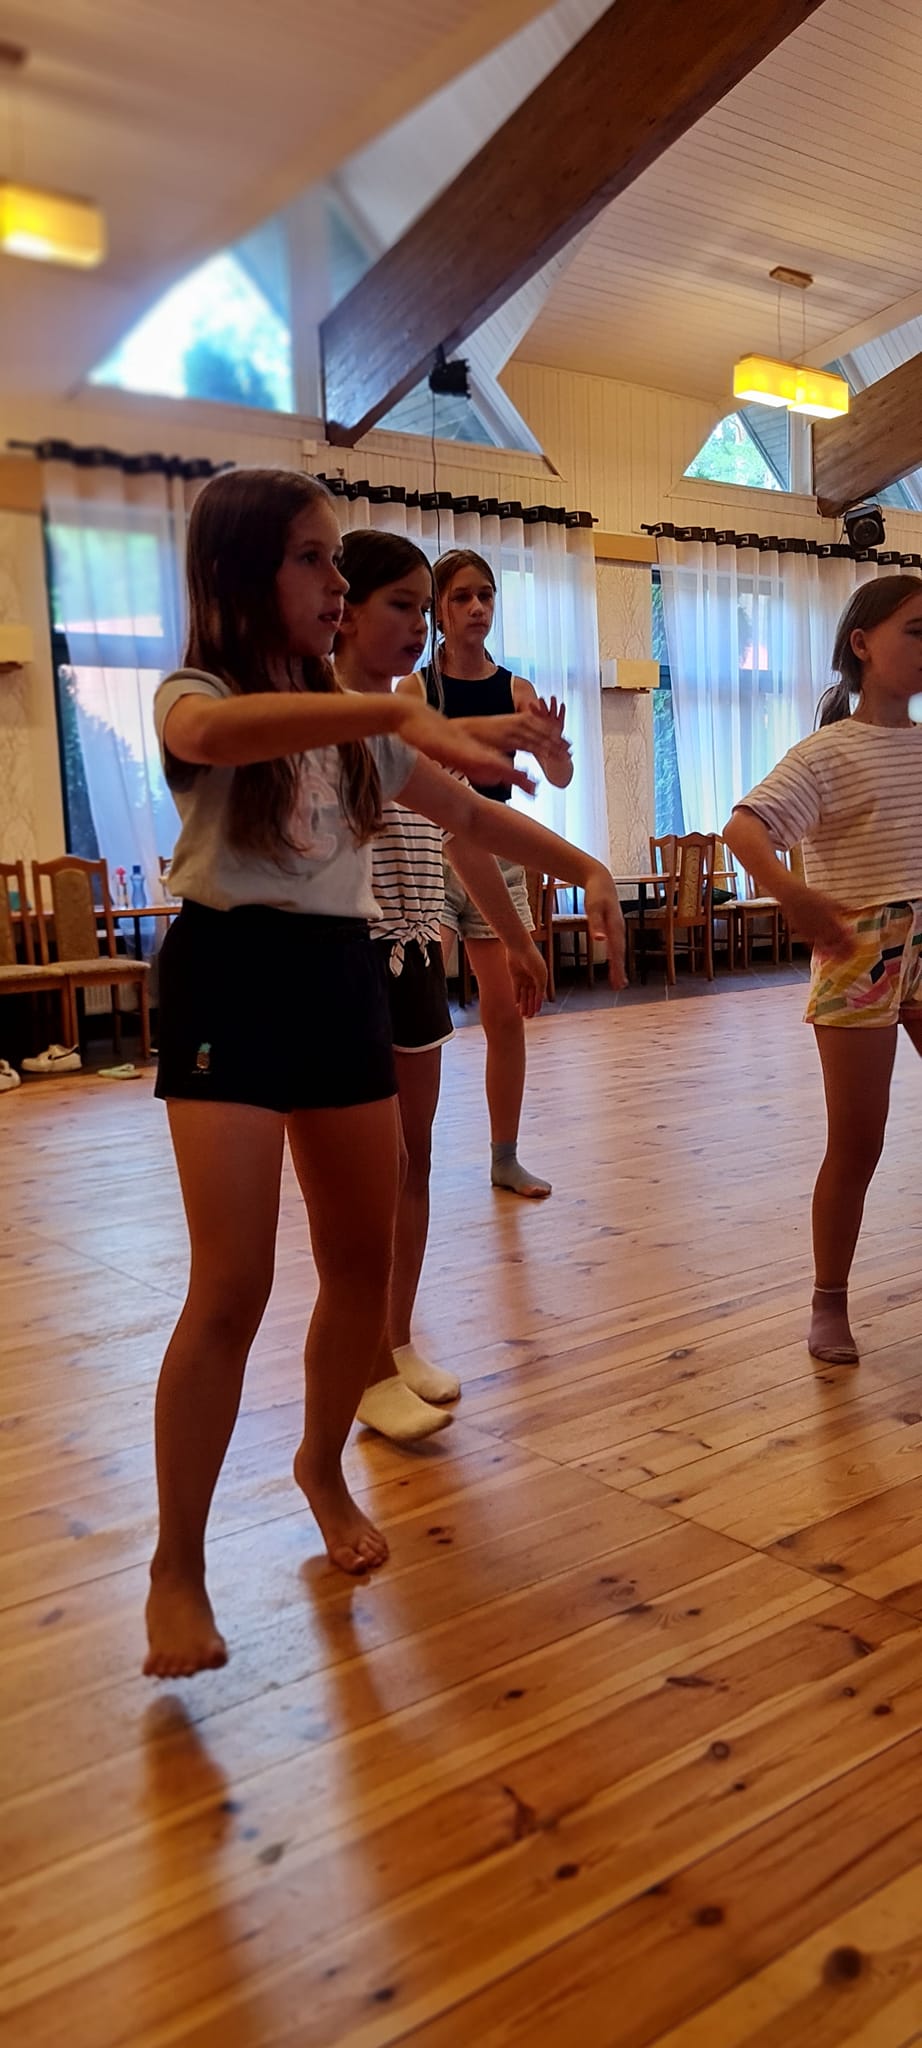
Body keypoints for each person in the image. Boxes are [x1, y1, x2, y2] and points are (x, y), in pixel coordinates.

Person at [145, 467, 537, 1679]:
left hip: (337, 974)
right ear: (242, 570)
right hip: (230, 974)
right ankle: (176, 1563)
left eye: (334, 560)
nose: (333, 581)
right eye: (311, 558)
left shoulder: (360, 725)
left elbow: (469, 816)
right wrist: (391, 716)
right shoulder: (202, 690)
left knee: (359, 1264)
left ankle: (320, 1463)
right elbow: (206, 739)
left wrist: (579, 868)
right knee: (232, 1283)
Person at [335, 529, 621, 1441]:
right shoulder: (363, 713)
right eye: (409, 605)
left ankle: (394, 1342)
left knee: (412, 1161)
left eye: (434, 605)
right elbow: (457, 795)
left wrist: (535, 920)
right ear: (343, 610)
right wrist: (476, 741)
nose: (427, 622)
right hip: (343, 956)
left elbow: (466, 825)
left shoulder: (418, 719)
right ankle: (361, 1366)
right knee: (365, 1180)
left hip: (415, 946)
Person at [724, 573, 922, 1367]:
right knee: (859, 1141)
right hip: (861, 952)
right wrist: (795, 896)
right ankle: (828, 1301)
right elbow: (744, 830)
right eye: (916, 631)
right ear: (862, 645)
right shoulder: (827, 752)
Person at [398, 548, 574, 1200]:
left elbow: (559, 777)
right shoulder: (416, 691)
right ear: (438, 612)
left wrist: (553, 749)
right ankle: (406, 1155)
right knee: (420, 1011)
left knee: (506, 1014)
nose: (477, 607)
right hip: (431, 853)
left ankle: (505, 1156)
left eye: (486, 596)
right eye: (462, 597)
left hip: (494, 855)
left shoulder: (517, 690)